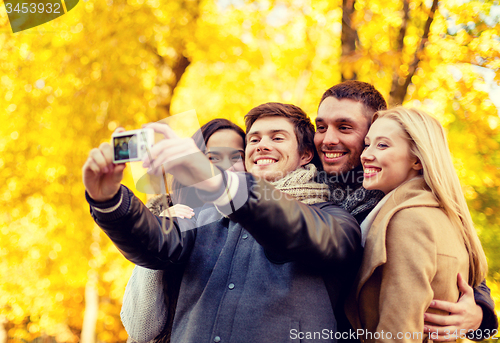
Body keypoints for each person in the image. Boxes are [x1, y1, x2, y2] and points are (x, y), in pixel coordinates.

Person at [83, 102, 362, 343]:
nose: (262, 145)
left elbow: (295, 227)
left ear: (305, 155)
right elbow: (154, 242)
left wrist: (221, 183)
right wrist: (109, 200)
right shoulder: (203, 215)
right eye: (254, 139)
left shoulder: (334, 218)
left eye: (277, 138)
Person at [314, 81, 497, 339]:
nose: (328, 139)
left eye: (344, 127)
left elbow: (463, 272)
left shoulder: (405, 209)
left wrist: (479, 314)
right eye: (320, 127)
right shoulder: (305, 186)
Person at [121, 118, 246, 343]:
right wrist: (158, 238)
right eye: (212, 158)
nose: (226, 166)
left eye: (236, 157)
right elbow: (141, 330)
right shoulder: (166, 217)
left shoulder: (251, 227)